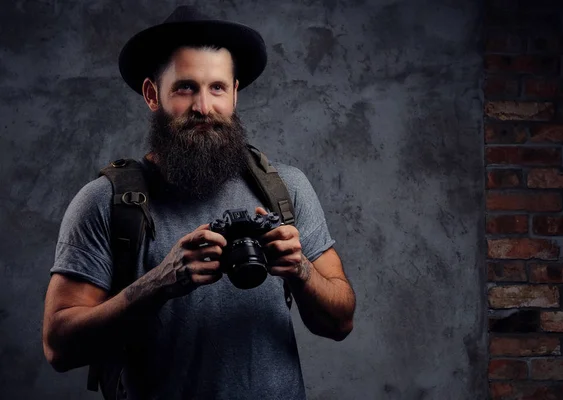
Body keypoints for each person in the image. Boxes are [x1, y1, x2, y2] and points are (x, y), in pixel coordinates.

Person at [41, 5, 356, 400]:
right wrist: (158, 284)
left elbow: (341, 321)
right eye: (185, 87)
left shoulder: (285, 189)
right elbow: (59, 347)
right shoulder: (104, 202)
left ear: (235, 93)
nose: (203, 108)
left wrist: (302, 272)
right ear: (152, 94)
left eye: (217, 88)